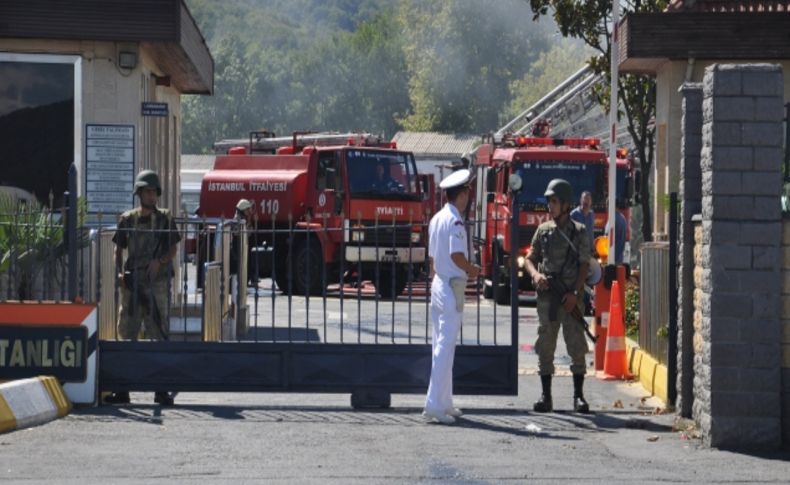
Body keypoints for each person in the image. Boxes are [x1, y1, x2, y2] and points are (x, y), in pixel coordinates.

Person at [104, 169, 181, 406]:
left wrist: (160, 262)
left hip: (156, 284)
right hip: (133, 283)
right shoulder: (128, 219)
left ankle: (161, 390)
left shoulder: (165, 218)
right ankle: (123, 389)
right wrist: (119, 272)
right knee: (127, 333)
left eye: (154, 192)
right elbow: (118, 248)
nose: (152, 196)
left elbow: (173, 248)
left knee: (159, 334)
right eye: (147, 192)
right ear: (139, 193)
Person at [524, 179, 592, 413]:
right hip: (548, 299)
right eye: (549, 201)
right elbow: (529, 259)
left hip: (571, 298)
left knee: (576, 345)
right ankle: (546, 396)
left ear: (565, 204)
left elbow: (585, 265)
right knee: (545, 345)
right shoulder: (543, 231)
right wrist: (535, 276)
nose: (550, 206)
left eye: (554, 201)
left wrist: (575, 292)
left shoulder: (579, 232)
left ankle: (579, 396)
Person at [423, 168, 481, 425]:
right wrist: (472, 269)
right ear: (463, 194)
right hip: (450, 286)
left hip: (439, 283)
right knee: (445, 348)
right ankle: (433, 404)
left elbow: (433, 258)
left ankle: (444, 401)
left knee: (442, 344)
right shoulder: (455, 221)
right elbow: (457, 255)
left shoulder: (437, 218)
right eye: (467, 192)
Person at [229, 198, 253, 318]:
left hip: (240, 250)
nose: (250, 211)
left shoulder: (241, 219)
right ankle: (236, 300)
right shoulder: (238, 220)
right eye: (248, 209)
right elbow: (240, 233)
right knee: (236, 276)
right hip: (237, 250)